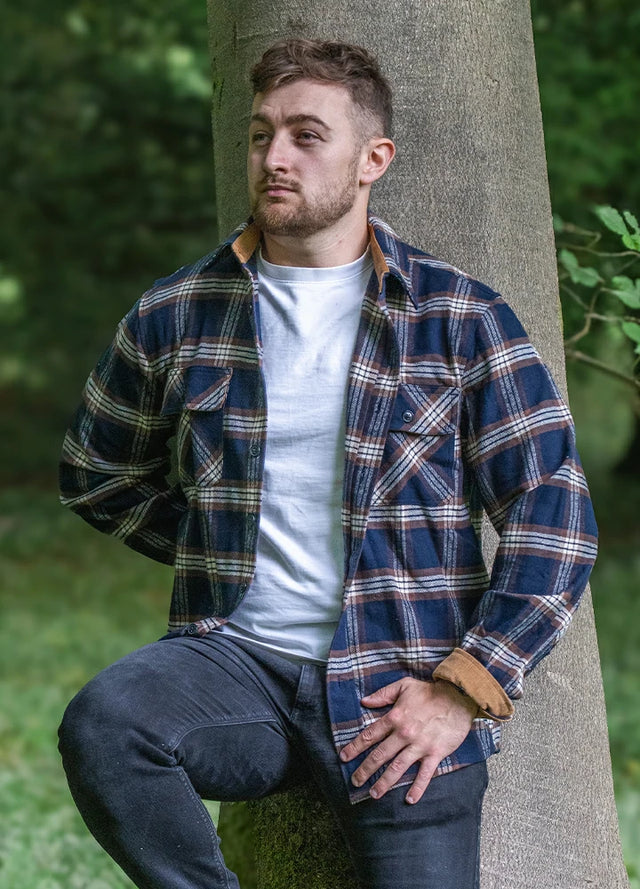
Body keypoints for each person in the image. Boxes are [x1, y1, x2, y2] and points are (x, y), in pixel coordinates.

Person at [58, 38, 598, 889]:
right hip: (238, 666)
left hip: (402, 688)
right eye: (261, 134)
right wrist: (233, 540)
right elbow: (97, 470)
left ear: (372, 158)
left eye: (308, 135)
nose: (276, 157)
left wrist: (463, 689)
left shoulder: (459, 317)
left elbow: (553, 521)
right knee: (107, 720)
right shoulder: (177, 313)